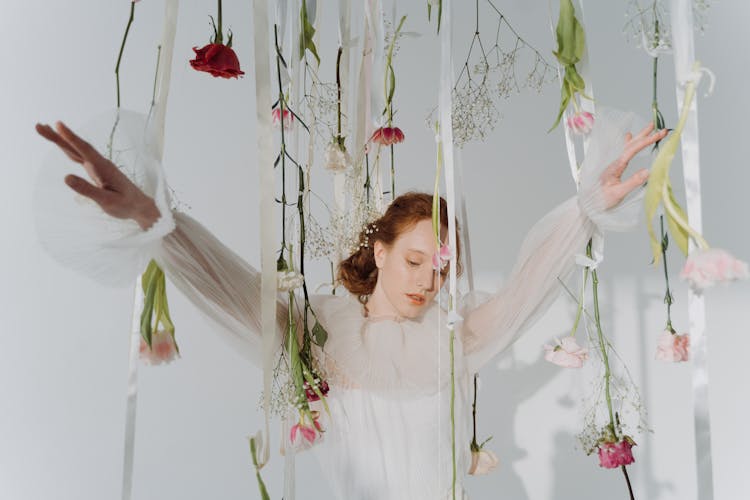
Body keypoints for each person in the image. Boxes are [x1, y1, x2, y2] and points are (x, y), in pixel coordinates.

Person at [34, 109, 667, 499]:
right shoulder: (318, 335)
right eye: (415, 261)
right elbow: (230, 289)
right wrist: (157, 222)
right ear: (382, 251)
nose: (427, 281)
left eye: (440, 269)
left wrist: (585, 211)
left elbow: (529, 284)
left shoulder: (454, 338)